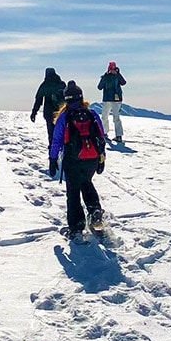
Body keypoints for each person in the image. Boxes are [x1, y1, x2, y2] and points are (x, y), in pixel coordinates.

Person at [50, 81, 107, 240]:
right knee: (86, 183)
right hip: (92, 158)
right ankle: (95, 211)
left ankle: (76, 227)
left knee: (73, 192)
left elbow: (57, 140)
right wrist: (102, 158)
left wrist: (53, 159)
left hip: (72, 159)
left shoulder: (64, 116)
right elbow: (101, 137)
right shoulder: (92, 113)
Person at [31, 67, 68, 176]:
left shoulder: (45, 84)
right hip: (62, 115)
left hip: (49, 115)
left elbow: (38, 99)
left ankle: (53, 160)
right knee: (63, 136)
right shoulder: (61, 84)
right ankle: (64, 158)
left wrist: (34, 112)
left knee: (52, 137)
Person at [96, 61, 127, 144]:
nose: (112, 70)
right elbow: (99, 87)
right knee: (105, 117)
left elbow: (123, 82)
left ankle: (118, 135)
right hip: (109, 99)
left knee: (115, 117)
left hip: (113, 100)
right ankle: (106, 133)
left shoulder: (117, 76)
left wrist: (118, 74)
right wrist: (105, 77)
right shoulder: (105, 77)